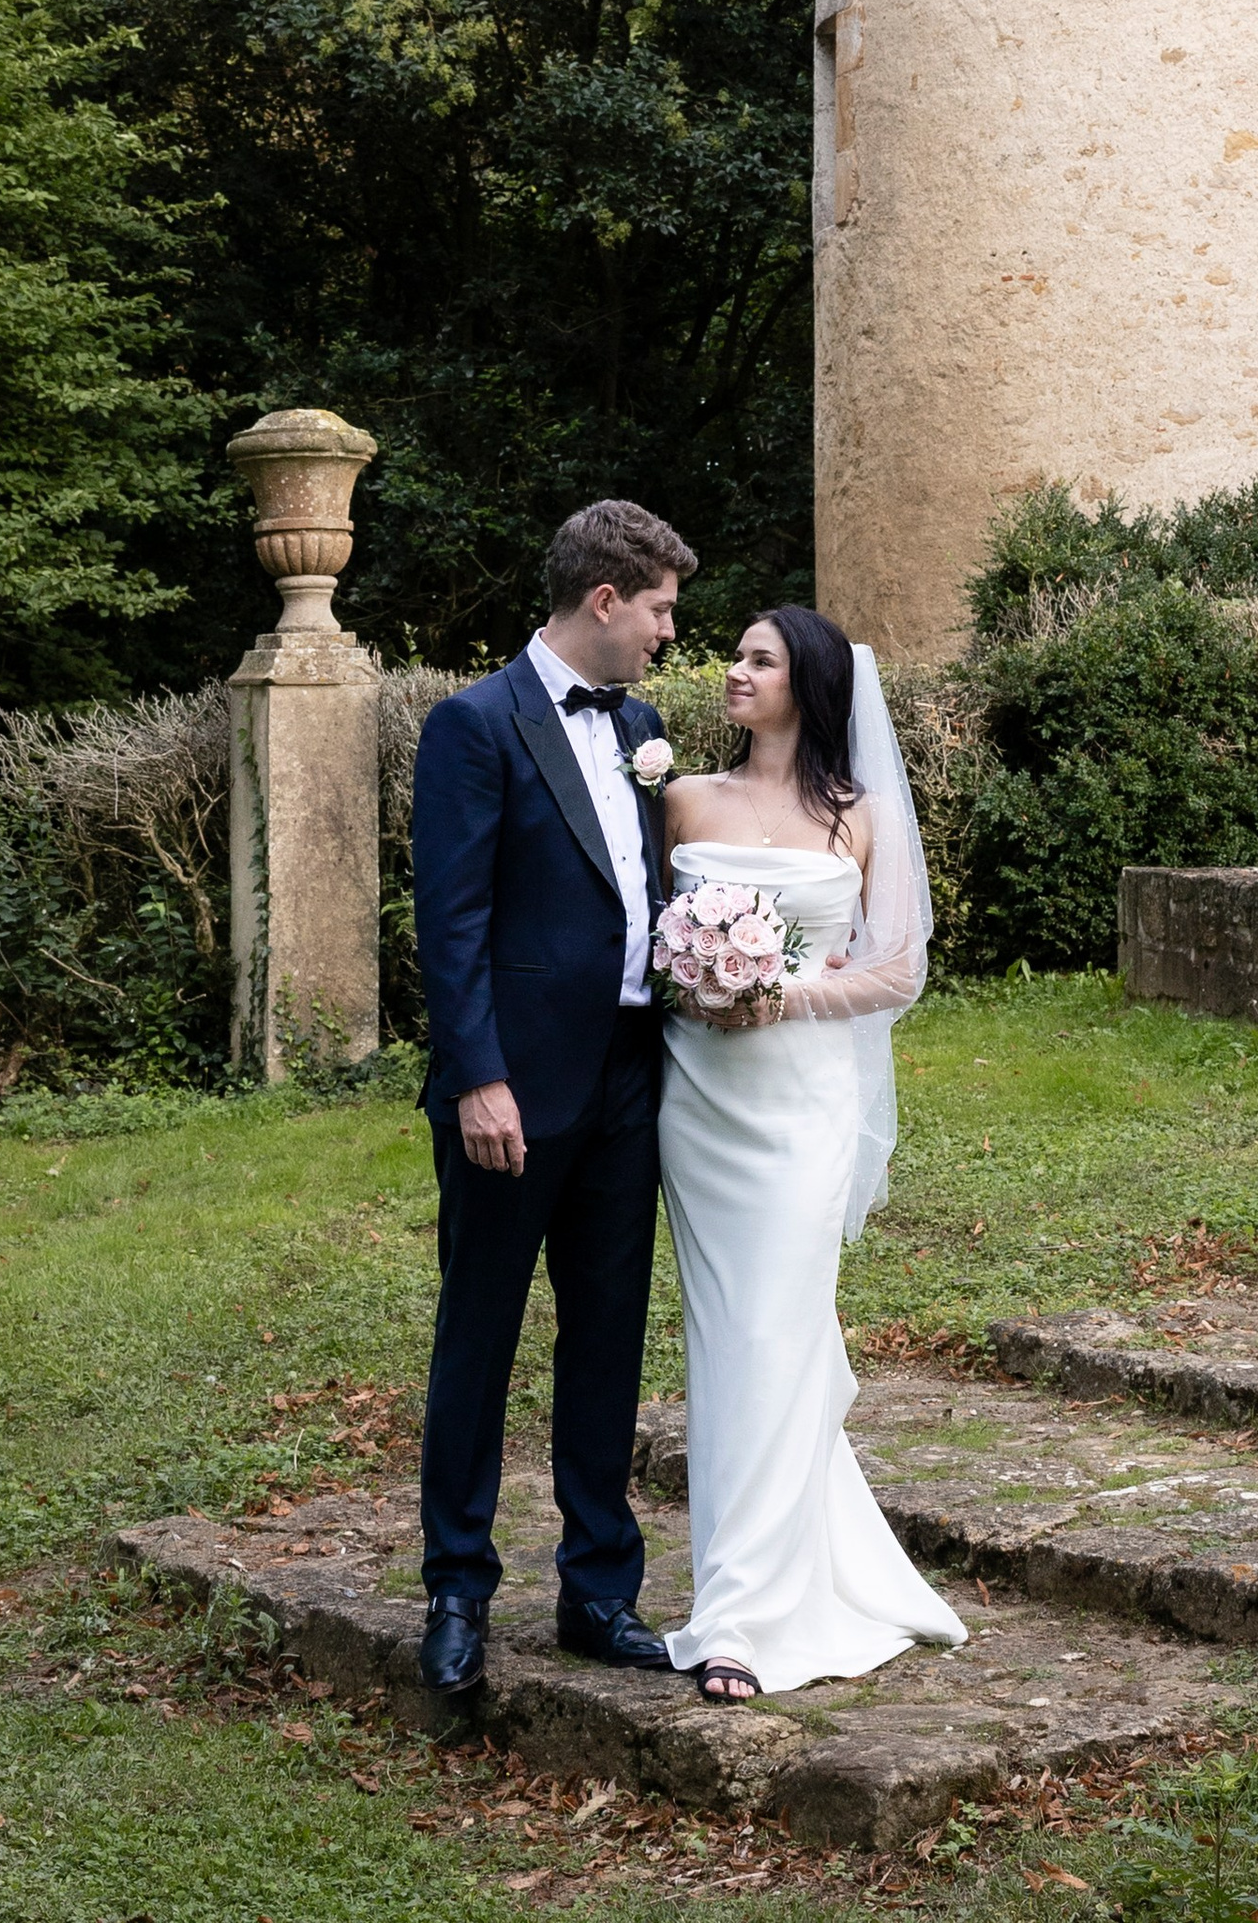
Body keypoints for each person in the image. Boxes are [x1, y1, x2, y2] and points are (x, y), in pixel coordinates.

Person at [407, 497, 694, 1700]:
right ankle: (459, 1587)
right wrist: (480, 1078)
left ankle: (597, 1590)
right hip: (513, 1088)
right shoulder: (473, 726)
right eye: (664, 609)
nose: (673, 634)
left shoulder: (648, 728)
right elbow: (451, 922)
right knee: (480, 1331)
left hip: (633, 1075)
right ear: (605, 600)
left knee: (608, 1331)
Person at [656, 606, 967, 1702]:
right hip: (699, 1106)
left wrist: (775, 990)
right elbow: (637, 939)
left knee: (777, 1332)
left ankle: (740, 1616)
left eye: (758, 659)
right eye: (734, 657)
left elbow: (894, 973)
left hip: (801, 1107)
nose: (733, 673)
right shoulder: (685, 798)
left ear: (811, 683)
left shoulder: (860, 818)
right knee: (727, 1337)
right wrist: (693, 978)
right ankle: (753, 1581)